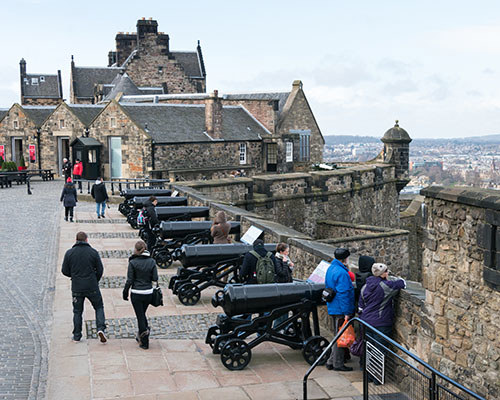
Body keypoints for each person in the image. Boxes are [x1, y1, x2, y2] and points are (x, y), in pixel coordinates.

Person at [359, 263, 406, 382]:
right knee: (379, 350)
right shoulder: (385, 286)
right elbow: (401, 284)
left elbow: (360, 306)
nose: (388, 273)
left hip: (365, 322)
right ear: (382, 274)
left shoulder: (365, 286)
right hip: (381, 323)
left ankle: (368, 376)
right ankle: (377, 378)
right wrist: (398, 279)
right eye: (386, 271)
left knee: (369, 348)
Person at [62, 231, 107, 343]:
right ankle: (100, 328)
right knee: (99, 307)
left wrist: (73, 275)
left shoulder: (69, 253)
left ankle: (77, 335)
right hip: (92, 286)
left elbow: (64, 271)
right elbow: (100, 270)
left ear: (76, 240)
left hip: (77, 287)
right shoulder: (93, 252)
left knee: (77, 311)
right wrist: (95, 279)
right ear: (86, 240)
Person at [122, 240, 159, 350]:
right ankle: (141, 334)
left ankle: (145, 340)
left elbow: (129, 280)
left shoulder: (133, 262)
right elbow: (155, 278)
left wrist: (125, 292)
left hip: (137, 293)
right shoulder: (152, 261)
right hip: (148, 293)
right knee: (142, 314)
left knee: (140, 316)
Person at [325, 248, 355, 372]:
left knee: (337, 335)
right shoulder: (342, 273)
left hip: (333, 306)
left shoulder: (331, 268)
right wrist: (347, 313)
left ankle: (331, 361)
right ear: (345, 259)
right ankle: (337, 363)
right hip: (340, 309)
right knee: (340, 337)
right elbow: (344, 294)